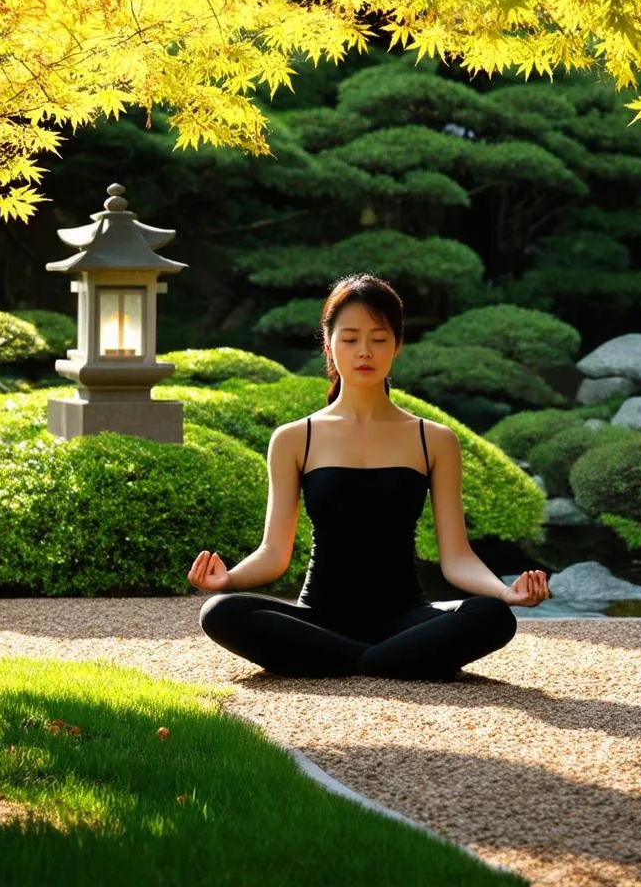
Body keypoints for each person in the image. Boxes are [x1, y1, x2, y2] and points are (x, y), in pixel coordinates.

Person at [189, 272, 550, 681]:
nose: (364, 351)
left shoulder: (433, 439)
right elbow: (275, 552)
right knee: (220, 611)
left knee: (492, 615)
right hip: (319, 618)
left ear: (397, 345)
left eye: (378, 339)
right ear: (328, 344)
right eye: (350, 339)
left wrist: (505, 592)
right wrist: (229, 578)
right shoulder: (294, 438)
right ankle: (387, 662)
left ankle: (346, 662)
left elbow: (457, 558)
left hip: (406, 618)